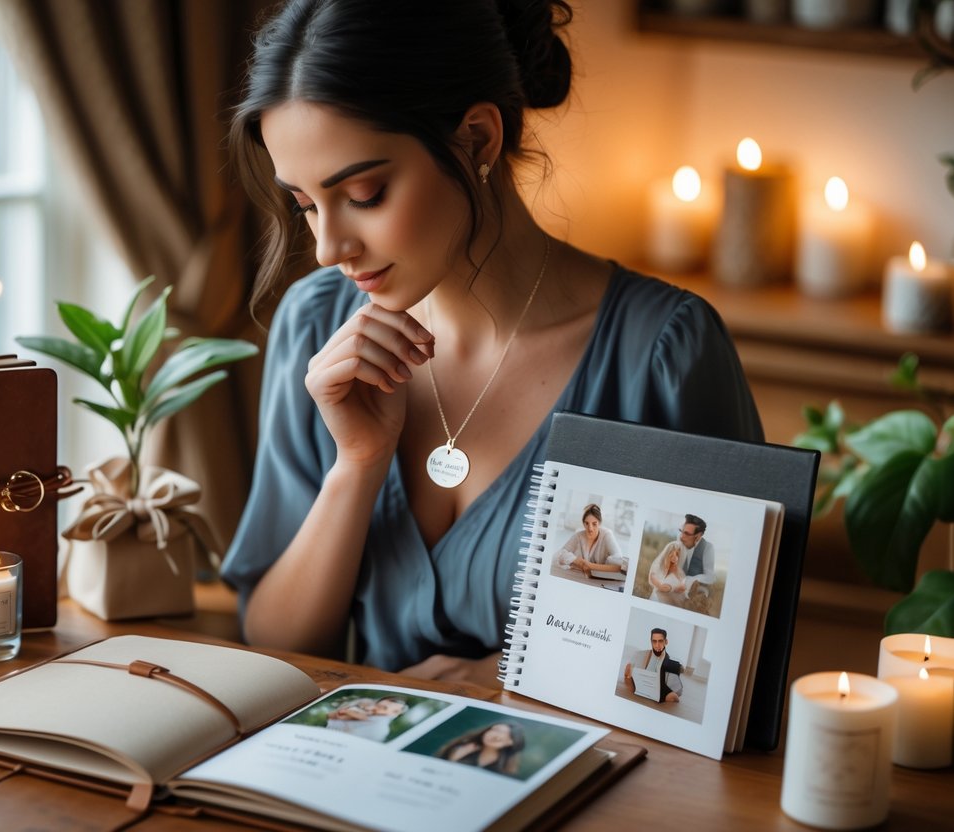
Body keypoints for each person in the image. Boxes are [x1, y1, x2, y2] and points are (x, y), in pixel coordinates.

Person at [220, 0, 763, 686]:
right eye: (303, 204)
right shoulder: (315, 327)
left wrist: (498, 679)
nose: (329, 248)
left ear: (476, 140)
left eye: (364, 192)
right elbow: (273, 642)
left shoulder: (663, 356)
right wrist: (356, 464)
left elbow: (725, 660)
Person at [654, 514, 714, 603]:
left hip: (691, 594)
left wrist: (690, 580)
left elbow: (710, 577)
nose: (681, 537)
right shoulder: (680, 539)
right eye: (681, 531)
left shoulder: (707, 547)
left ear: (698, 536)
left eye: (686, 533)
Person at [554, 503, 623, 575]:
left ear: (599, 523)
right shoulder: (578, 536)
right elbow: (560, 554)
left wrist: (588, 565)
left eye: (594, 524)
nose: (590, 529)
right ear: (583, 524)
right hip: (580, 577)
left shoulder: (607, 535)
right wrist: (576, 560)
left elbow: (619, 563)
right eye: (587, 523)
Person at [436, 722, 525, 776]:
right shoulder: (463, 747)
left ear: (511, 743)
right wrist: (455, 758)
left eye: (508, 735)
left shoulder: (505, 766)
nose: (498, 736)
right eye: (496, 730)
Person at [623, 627, 683, 703]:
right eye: (654, 641)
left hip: (660, 688)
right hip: (642, 683)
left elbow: (677, 690)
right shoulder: (641, 655)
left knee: (674, 698)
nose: (657, 645)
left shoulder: (671, 663)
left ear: (666, 642)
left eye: (660, 641)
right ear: (651, 642)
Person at [325, 695, 409, 741]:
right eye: (377, 705)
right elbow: (330, 715)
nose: (376, 709)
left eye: (383, 708)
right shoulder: (366, 709)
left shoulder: (379, 727)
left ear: (394, 713)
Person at [647, 541, 687, 606]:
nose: (675, 558)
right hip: (657, 600)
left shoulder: (678, 571)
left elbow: (684, 586)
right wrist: (673, 588)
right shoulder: (657, 567)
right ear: (667, 553)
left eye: (677, 554)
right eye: (672, 554)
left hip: (670, 603)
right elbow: (661, 587)